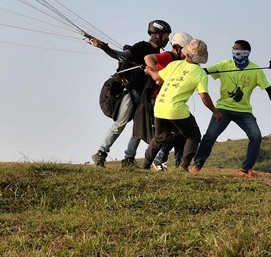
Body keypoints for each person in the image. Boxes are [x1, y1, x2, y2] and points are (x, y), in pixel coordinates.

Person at [190, 40, 271, 177]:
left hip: (244, 112)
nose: (234, 51)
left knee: (256, 136)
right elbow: (204, 72)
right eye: (233, 48)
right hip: (223, 109)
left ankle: (245, 170)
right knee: (210, 136)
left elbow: (269, 90)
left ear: (245, 52)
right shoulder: (224, 65)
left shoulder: (256, 70)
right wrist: (191, 68)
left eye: (237, 49)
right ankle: (197, 164)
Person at [87, 19, 171, 168]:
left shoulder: (158, 54)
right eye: (166, 35)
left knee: (138, 129)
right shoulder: (142, 46)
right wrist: (102, 46)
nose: (167, 39)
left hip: (143, 95)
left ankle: (129, 159)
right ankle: (100, 153)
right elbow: (121, 55)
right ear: (157, 35)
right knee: (121, 122)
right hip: (130, 90)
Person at [141, 37, 221, 172]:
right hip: (176, 109)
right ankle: (183, 167)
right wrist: (215, 111)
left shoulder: (174, 64)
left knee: (159, 137)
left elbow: (157, 78)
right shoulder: (200, 73)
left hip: (160, 105)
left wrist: (149, 71)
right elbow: (204, 96)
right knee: (194, 135)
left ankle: (145, 166)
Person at [143, 31, 192, 170]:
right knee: (169, 134)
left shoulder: (179, 62)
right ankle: (158, 160)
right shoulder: (168, 56)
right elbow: (148, 58)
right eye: (185, 50)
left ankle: (175, 163)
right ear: (178, 47)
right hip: (162, 100)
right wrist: (156, 75)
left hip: (170, 100)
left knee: (176, 133)